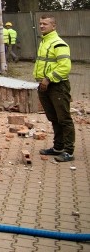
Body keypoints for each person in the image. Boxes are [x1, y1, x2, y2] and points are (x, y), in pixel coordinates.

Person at [35, 16, 74, 162]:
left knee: (64, 119)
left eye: (45, 24)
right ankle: (58, 147)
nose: (42, 26)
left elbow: (65, 67)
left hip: (57, 86)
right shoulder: (44, 42)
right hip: (44, 86)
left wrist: (48, 78)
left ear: (54, 26)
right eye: (40, 23)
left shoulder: (58, 44)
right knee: (54, 119)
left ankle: (69, 151)